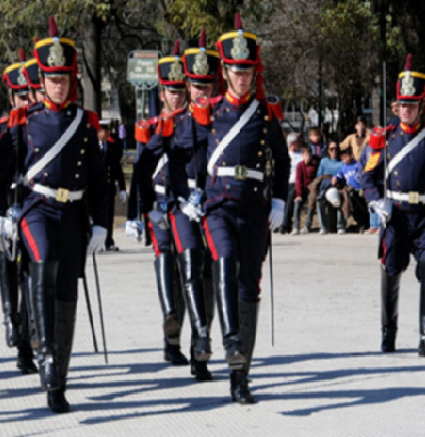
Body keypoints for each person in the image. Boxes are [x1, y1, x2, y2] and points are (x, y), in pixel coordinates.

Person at [9, 16, 107, 413]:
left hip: (74, 214)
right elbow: (2, 168)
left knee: (67, 292)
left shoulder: (85, 124)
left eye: (65, 78)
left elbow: (99, 178)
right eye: (52, 79)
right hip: (37, 208)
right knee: (43, 261)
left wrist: (101, 221)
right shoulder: (25, 120)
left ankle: (58, 381)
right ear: (41, 81)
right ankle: (46, 353)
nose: (59, 85)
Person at [192, 13, 289, 403]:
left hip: (253, 205)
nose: (242, 78)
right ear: (226, 72)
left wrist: (280, 199)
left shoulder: (266, 114)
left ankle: (240, 375)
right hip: (218, 203)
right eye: (235, 71)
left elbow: (282, 161)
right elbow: (189, 151)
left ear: (254, 72)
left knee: (249, 284)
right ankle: (230, 341)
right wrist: (190, 190)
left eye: (248, 71)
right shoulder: (208, 111)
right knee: (223, 262)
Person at [360, 54, 425, 358]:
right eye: (402, 105)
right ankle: (388, 333)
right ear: (395, 108)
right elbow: (367, 176)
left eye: (412, 105)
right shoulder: (383, 139)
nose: (407, 110)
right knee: (391, 271)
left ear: (420, 107)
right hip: (396, 215)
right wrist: (375, 200)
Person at [127, 40, 190, 368]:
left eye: (181, 90)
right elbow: (139, 169)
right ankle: (170, 327)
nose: (176, 96)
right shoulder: (148, 126)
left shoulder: (195, 123)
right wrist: (137, 212)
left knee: (188, 265)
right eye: (171, 90)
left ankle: (180, 337)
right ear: (161, 93)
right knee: (165, 256)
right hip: (160, 202)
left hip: (187, 202)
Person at [167, 28, 224, 380]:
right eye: (196, 86)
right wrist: (180, 198)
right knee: (189, 266)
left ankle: (198, 353)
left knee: (211, 276)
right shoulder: (177, 123)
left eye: (208, 86)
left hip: (216, 202)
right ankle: (201, 336)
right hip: (184, 203)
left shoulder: (223, 122)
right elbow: (169, 165)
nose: (202, 91)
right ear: (187, 86)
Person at [0, 48, 37, 375]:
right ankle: (9, 316)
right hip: (5, 206)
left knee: (31, 276)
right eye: (19, 97)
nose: (24, 102)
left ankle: (27, 342)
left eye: (27, 96)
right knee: (7, 264)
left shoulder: (41, 125)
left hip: (32, 207)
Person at [98, 119, 126, 251]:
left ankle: (109, 241)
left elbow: (117, 168)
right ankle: (96, 242)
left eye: (108, 131)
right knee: (96, 216)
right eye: (104, 131)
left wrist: (122, 188)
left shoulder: (112, 147)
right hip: (94, 188)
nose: (108, 134)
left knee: (109, 216)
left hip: (108, 187)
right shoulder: (91, 146)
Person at [309, 142, 342, 234]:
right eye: (331, 149)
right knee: (320, 201)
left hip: (337, 185)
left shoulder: (341, 162)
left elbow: (343, 174)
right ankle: (323, 227)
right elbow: (319, 175)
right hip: (325, 185)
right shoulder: (324, 161)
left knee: (338, 197)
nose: (334, 151)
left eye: (335, 149)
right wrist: (328, 178)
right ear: (328, 150)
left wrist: (337, 178)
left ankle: (340, 226)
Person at [332, 148, 368, 232]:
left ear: (351, 156)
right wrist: (335, 178)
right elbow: (339, 175)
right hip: (350, 190)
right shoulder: (343, 167)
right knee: (353, 207)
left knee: (361, 207)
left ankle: (366, 223)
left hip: (359, 189)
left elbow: (363, 175)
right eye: (342, 158)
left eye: (346, 157)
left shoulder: (357, 165)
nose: (344, 159)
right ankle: (360, 223)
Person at [279, 132, 303, 234]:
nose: (301, 143)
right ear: (292, 143)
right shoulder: (285, 154)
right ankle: (281, 224)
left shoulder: (302, 154)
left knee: (289, 200)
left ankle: (284, 225)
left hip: (296, 182)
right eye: (298, 141)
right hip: (285, 181)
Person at [293, 146, 318, 234]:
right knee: (297, 203)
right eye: (306, 155)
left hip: (311, 190)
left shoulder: (314, 165)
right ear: (303, 155)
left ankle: (307, 226)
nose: (308, 157)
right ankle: (296, 227)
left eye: (309, 155)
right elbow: (298, 180)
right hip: (302, 190)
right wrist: (299, 194)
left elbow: (316, 179)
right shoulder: (299, 165)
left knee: (311, 202)